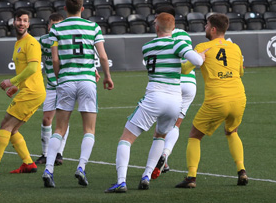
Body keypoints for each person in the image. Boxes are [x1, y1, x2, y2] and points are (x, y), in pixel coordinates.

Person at [106, 13, 204, 193]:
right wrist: (202, 55)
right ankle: (146, 175)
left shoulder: (147, 46)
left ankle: (121, 181)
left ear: (156, 27)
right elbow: (196, 61)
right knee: (160, 136)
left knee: (126, 139)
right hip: (175, 101)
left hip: (155, 97)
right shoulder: (178, 43)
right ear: (173, 29)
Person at [42, 0, 113, 188]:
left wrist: (59, 76)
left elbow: (55, 59)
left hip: (66, 80)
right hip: (87, 81)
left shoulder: (57, 27)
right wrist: (107, 76)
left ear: (65, 10)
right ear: (83, 9)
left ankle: (48, 169)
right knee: (89, 129)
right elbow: (103, 56)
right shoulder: (93, 27)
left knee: (59, 128)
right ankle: (81, 167)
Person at [175, 13, 249, 190]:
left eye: (207, 25)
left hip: (217, 99)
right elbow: (241, 72)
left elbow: (185, 69)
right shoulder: (235, 48)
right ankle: (242, 171)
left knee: (194, 135)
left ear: (213, 29)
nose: (205, 28)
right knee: (232, 131)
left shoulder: (203, 47)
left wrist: (186, 59)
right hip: (239, 97)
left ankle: (191, 177)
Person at [0, 9, 47, 175]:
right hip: (30, 90)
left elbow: (33, 67)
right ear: (14, 22)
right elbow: (26, 70)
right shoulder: (18, 43)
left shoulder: (31, 43)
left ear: (29, 24)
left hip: (32, 92)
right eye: (19, 20)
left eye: (25, 20)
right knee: (11, 128)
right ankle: (28, 163)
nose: (22, 23)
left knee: (6, 125)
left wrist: (11, 81)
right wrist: (16, 87)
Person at [152, 11, 198, 179]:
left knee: (161, 128)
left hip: (172, 82)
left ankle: (159, 158)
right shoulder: (185, 35)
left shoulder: (161, 38)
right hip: (190, 84)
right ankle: (165, 154)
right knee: (176, 125)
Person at [35, 12, 71, 167]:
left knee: (62, 120)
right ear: (48, 26)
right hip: (50, 86)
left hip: (65, 84)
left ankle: (58, 153)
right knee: (46, 119)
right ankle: (45, 153)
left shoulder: (67, 40)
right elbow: (35, 60)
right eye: (52, 24)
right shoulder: (43, 41)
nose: (55, 27)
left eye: (58, 24)